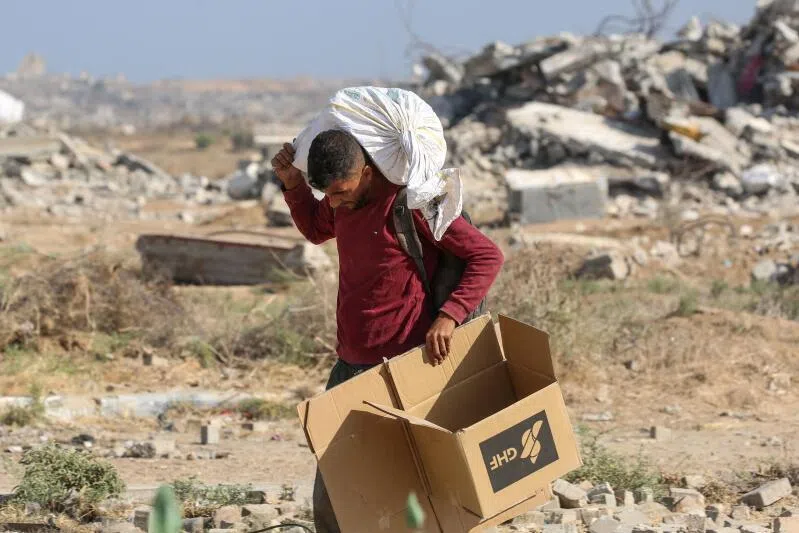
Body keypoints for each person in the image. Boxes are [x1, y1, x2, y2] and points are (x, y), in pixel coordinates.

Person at [271, 129, 504, 533]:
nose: (336, 202)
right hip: (350, 365)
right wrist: (293, 186)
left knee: (414, 483)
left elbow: (487, 255)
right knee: (335, 485)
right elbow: (315, 229)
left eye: (341, 191)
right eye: (328, 194)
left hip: (404, 365)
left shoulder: (408, 204)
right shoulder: (340, 202)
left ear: (366, 172)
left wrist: (449, 315)